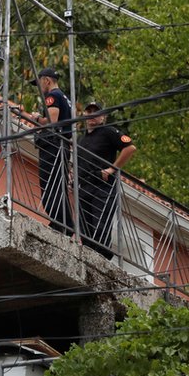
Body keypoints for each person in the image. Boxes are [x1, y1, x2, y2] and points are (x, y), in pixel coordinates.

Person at [77, 102, 137, 259]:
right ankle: (88, 257)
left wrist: (112, 169)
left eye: (96, 112)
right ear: (84, 114)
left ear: (103, 117)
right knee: (85, 227)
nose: (92, 115)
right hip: (84, 186)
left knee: (100, 225)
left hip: (102, 186)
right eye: (89, 111)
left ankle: (101, 258)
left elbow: (130, 148)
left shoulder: (108, 131)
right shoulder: (81, 139)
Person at [29, 67, 73, 234]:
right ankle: (63, 224)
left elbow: (52, 120)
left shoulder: (53, 96)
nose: (39, 87)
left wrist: (37, 119)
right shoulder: (63, 97)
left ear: (46, 80)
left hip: (54, 146)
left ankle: (62, 224)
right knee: (56, 186)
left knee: (50, 187)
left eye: (39, 82)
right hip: (60, 145)